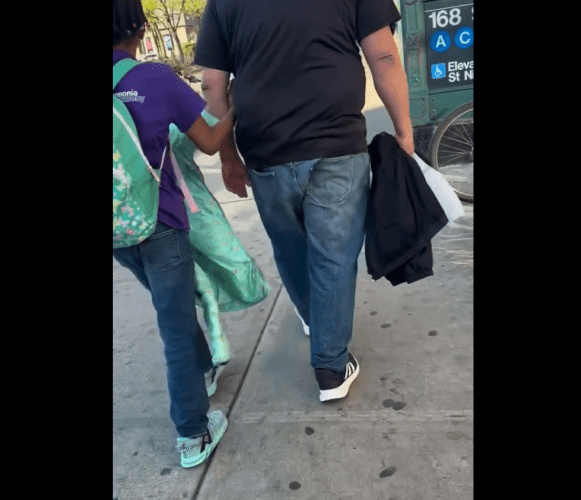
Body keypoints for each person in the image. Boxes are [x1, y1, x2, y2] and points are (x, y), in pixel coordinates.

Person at [194, 0, 414, 402]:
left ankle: (316, 319)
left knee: (290, 244)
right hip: (337, 143)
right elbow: (383, 55)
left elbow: (213, 84)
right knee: (334, 255)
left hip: (265, 150)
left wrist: (228, 156)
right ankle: (331, 366)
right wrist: (404, 133)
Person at [112, 0, 236, 468]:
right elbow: (208, 140)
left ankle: (204, 372)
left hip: (118, 231)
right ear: (142, 30)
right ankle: (192, 434)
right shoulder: (152, 78)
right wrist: (236, 108)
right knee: (177, 328)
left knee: (174, 308)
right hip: (159, 223)